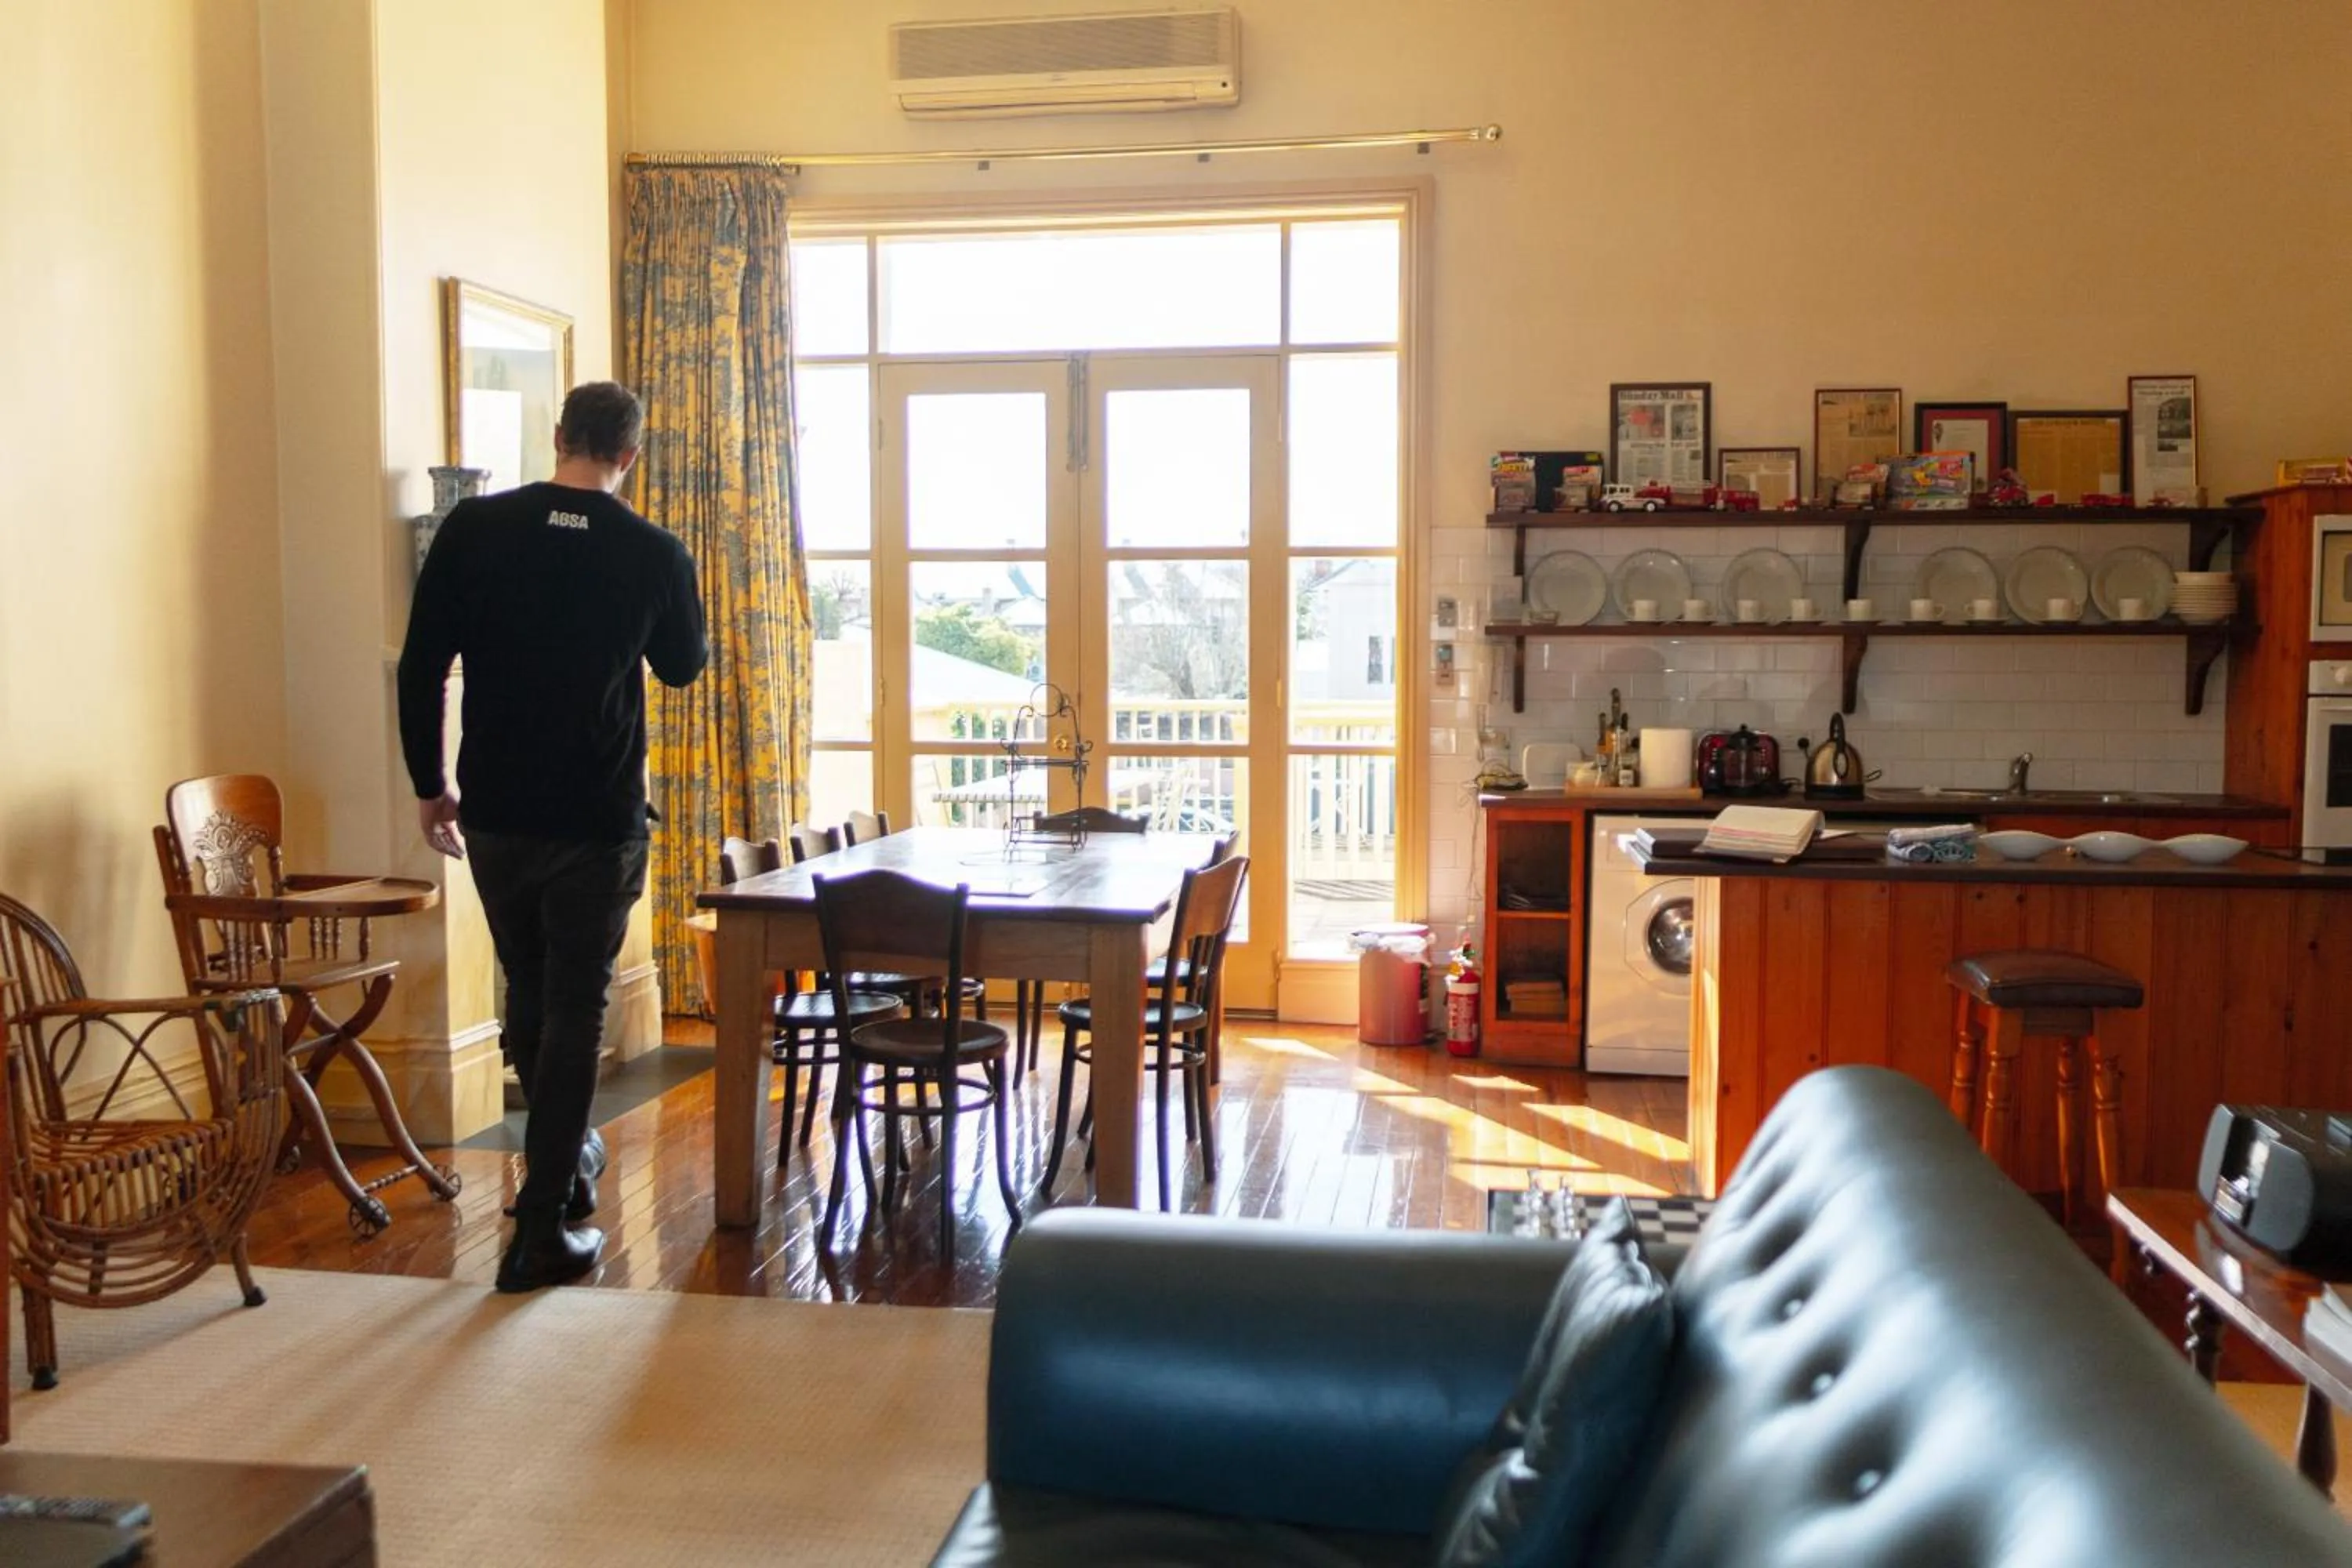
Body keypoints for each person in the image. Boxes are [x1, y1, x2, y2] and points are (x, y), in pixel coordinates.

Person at [397, 381, 707, 1293]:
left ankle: (565, 1169)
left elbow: (423, 666)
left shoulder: (475, 530)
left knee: (529, 989)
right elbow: (682, 667)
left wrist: (430, 783)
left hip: (495, 809)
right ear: (631, 455)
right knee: (574, 1005)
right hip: (596, 815)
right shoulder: (652, 549)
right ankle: (540, 1227)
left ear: (560, 436)